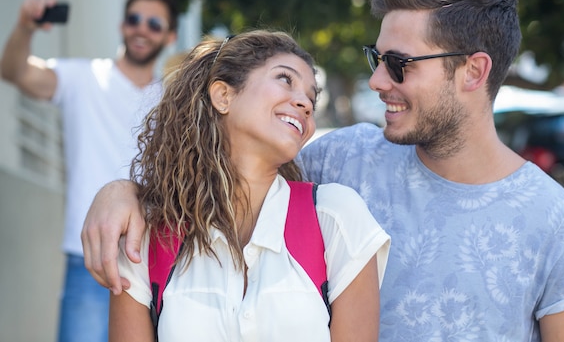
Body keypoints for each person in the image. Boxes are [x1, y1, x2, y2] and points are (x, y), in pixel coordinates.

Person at [81, 0, 564, 341]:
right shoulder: (340, 162)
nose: (377, 81)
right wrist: (122, 191)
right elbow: (218, 178)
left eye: (399, 64)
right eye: (374, 58)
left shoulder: (559, 228)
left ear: (473, 70)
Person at [109, 30, 390, 341]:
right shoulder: (146, 237)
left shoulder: (335, 218)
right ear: (223, 96)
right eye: (285, 79)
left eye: (312, 98)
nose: (306, 104)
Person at [0, 0, 178, 342]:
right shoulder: (82, 77)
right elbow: (14, 72)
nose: (142, 28)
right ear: (122, 24)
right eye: (134, 19)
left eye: (154, 24)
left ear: (170, 36)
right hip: (88, 256)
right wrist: (25, 27)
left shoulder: (173, 99)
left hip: (152, 254)